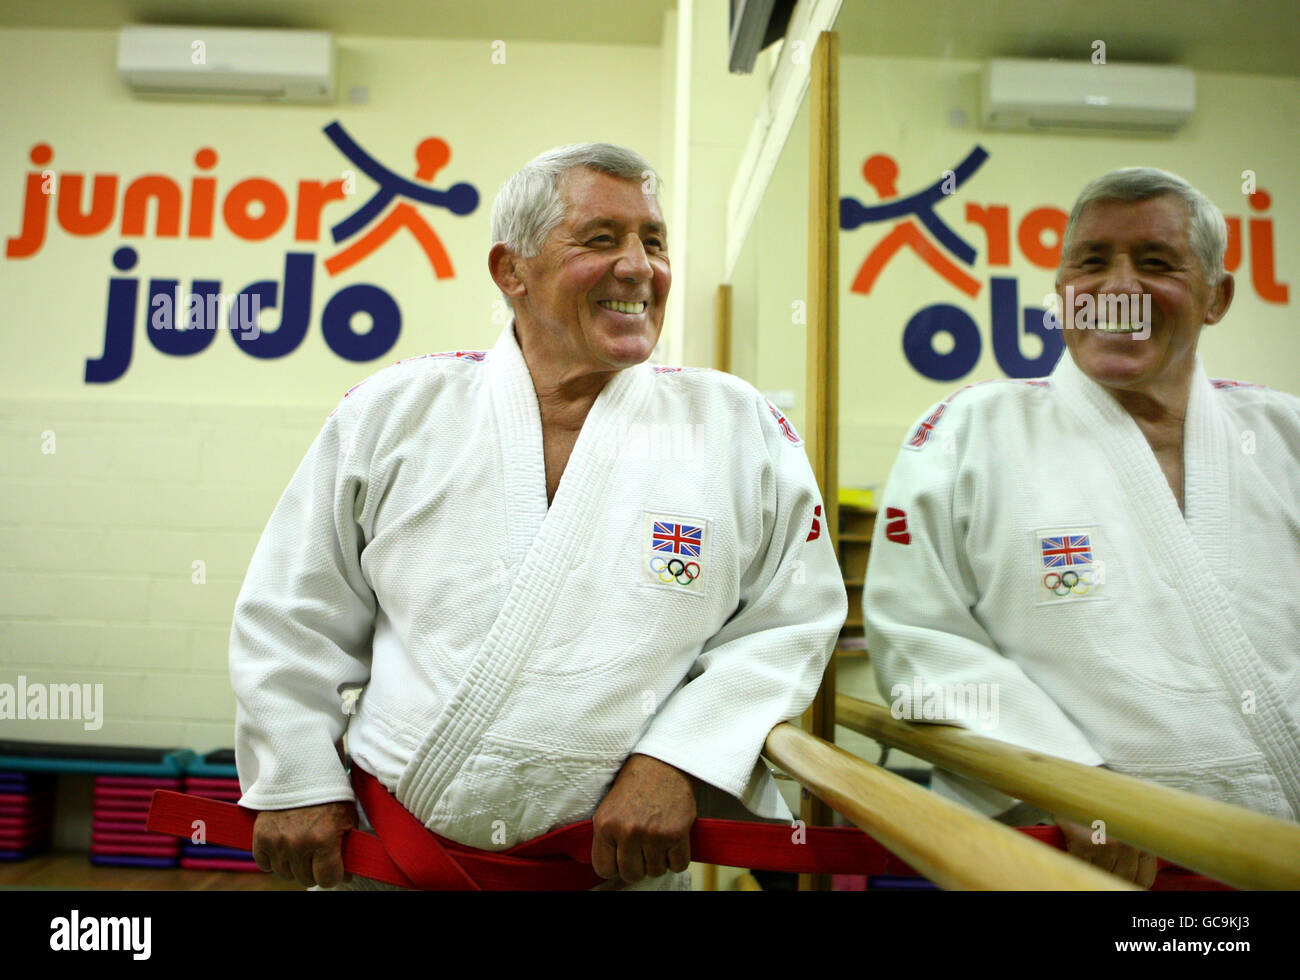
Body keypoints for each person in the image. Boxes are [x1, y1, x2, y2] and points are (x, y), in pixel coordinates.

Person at [229, 143, 847, 891]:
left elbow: (791, 621)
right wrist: (295, 776)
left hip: (616, 876)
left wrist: (678, 758)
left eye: (653, 242)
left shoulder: (735, 425)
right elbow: (295, 610)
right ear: (510, 271)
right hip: (395, 861)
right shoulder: (396, 411)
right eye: (600, 239)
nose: (638, 266)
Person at [864, 167, 1300, 887]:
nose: (1117, 288)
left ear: (1216, 296)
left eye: (1155, 263)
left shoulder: (1283, 435)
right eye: (1091, 261)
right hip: (1052, 854)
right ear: (1061, 288)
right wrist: (1075, 784)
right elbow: (919, 641)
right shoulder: (968, 431)